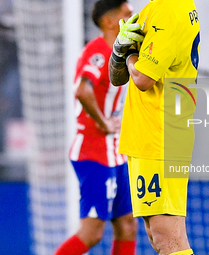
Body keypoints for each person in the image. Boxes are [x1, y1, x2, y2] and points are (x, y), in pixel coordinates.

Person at [109, 0, 200, 254]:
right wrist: (120, 51)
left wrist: (128, 54)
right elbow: (118, 77)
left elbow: (142, 78)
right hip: (154, 132)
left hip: (159, 133)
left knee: (167, 238)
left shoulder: (166, 11)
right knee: (157, 233)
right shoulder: (164, 7)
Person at [54, 0, 138, 254]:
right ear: (109, 22)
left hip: (115, 153)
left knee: (127, 225)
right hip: (93, 152)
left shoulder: (123, 53)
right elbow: (82, 90)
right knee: (92, 233)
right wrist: (104, 123)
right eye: (127, 15)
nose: (133, 21)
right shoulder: (98, 51)